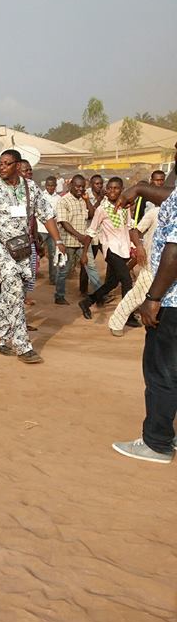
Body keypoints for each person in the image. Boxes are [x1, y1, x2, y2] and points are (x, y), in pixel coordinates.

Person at [0, 149, 66, 363]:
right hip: (0, 246)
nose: (2, 167)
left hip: (22, 248)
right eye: (0, 164)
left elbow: (47, 215)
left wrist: (58, 241)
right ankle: (22, 345)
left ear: (17, 166)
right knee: (14, 289)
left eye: (6, 164)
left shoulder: (30, 188)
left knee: (11, 293)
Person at [112, 176, 177, 463]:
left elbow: (174, 251)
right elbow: (170, 195)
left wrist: (153, 297)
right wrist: (138, 189)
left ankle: (157, 443)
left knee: (161, 373)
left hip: (172, 303)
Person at [79, 178, 137, 321]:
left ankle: (87, 301)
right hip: (111, 249)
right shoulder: (102, 209)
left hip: (124, 249)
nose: (112, 191)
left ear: (122, 189)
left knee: (112, 283)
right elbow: (91, 231)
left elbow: (129, 227)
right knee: (127, 280)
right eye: (109, 188)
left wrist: (135, 246)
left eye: (116, 188)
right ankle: (127, 316)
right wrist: (85, 253)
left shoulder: (125, 207)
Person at [108, 202, 159, 336]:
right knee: (138, 295)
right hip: (151, 263)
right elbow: (135, 231)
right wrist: (139, 248)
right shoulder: (155, 212)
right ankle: (116, 322)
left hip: (171, 265)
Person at [54, 174, 100, 305]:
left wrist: (87, 201)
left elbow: (92, 214)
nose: (80, 189)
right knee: (64, 270)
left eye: (82, 187)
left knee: (91, 267)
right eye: (77, 186)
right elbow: (63, 222)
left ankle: (100, 293)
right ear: (70, 186)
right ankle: (59, 295)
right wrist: (79, 236)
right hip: (68, 242)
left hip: (83, 243)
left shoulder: (83, 199)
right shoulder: (64, 201)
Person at [37, 176, 61, 285]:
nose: (50, 187)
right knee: (35, 252)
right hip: (41, 228)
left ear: (55, 186)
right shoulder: (41, 196)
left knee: (52, 254)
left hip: (53, 230)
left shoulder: (59, 198)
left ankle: (53, 278)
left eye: (52, 185)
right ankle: (32, 274)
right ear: (45, 186)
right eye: (48, 185)